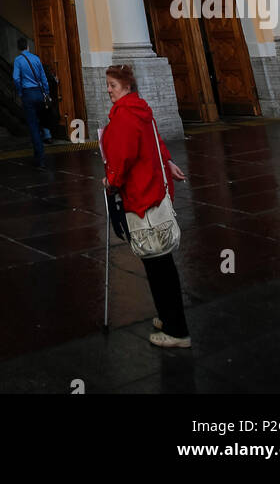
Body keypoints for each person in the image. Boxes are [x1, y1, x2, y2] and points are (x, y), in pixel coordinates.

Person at [101, 63, 190, 349]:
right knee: (161, 261)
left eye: (112, 85)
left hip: (141, 198)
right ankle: (167, 316)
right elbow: (154, 139)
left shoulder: (125, 116)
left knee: (157, 264)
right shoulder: (141, 109)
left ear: (126, 86)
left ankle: (177, 331)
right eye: (108, 85)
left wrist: (111, 181)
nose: (109, 90)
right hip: (153, 191)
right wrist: (169, 161)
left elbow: (123, 158)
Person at [13, 36, 51, 168]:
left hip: (28, 94)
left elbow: (16, 78)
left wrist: (21, 92)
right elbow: (43, 78)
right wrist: (46, 93)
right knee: (41, 120)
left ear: (19, 48)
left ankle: (40, 156)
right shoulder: (36, 58)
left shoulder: (18, 60)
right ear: (28, 46)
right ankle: (44, 138)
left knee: (33, 125)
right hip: (39, 93)